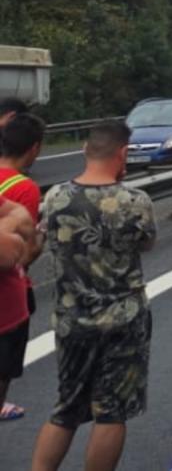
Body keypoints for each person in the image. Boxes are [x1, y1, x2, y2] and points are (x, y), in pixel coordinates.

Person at [32, 121, 156, 471]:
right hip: (124, 320)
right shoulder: (136, 201)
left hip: (72, 320)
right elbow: (146, 243)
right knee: (111, 411)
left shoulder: (55, 197)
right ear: (122, 154)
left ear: (86, 149)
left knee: (67, 407)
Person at [0, 113, 44, 423]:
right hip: (9, 300)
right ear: (34, 148)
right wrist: (38, 239)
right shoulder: (24, 188)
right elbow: (22, 253)